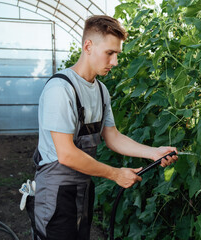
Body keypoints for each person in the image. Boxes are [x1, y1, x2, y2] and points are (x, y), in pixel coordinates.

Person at [32, 15, 178, 240]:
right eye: (110, 53)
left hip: (83, 187)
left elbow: (113, 136)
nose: (115, 62)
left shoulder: (101, 91)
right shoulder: (61, 90)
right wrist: (116, 174)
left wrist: (153, 152)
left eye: (117, 54)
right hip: (56, 191)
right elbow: (67, 154)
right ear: (88, 46)